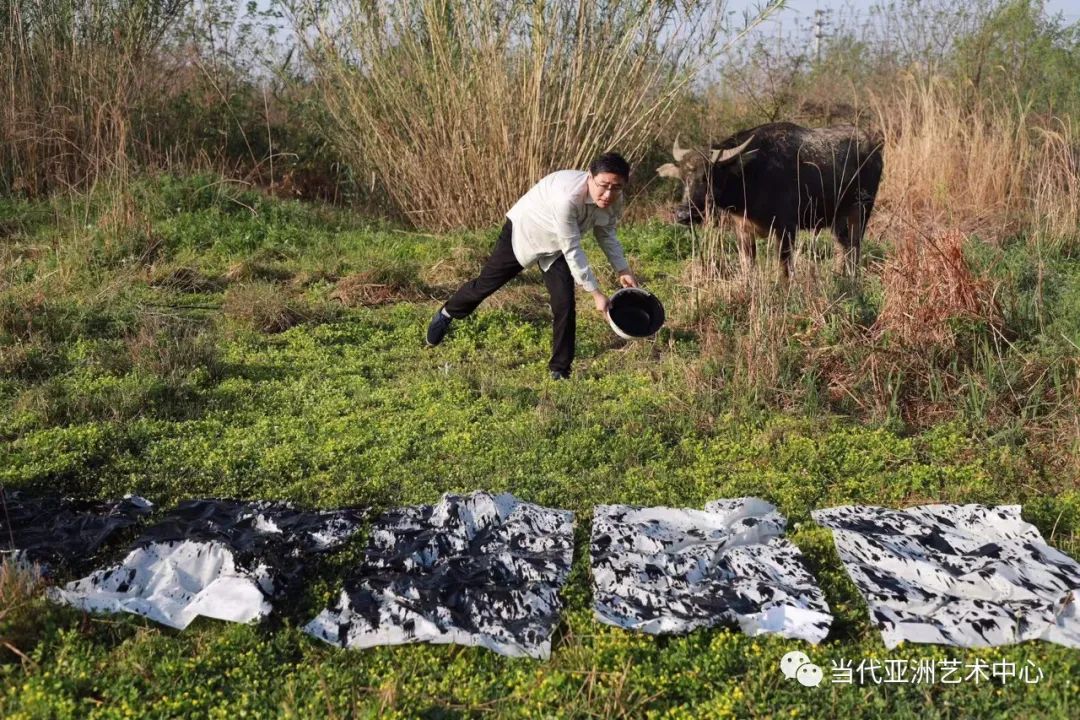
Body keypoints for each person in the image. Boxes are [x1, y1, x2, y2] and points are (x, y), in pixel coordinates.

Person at [425, 152, 639, 380]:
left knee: (564, 303)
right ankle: (447, 313)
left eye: (616, 187)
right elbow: (573, 248)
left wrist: (622, 269)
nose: (608, 194)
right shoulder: (567, 199)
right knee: (484, 285)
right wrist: (595, 293)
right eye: (603, 185)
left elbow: (606, 233)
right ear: (590, 176)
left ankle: (559, 370)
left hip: (556, 245)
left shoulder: (615, 198)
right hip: (525, 232)